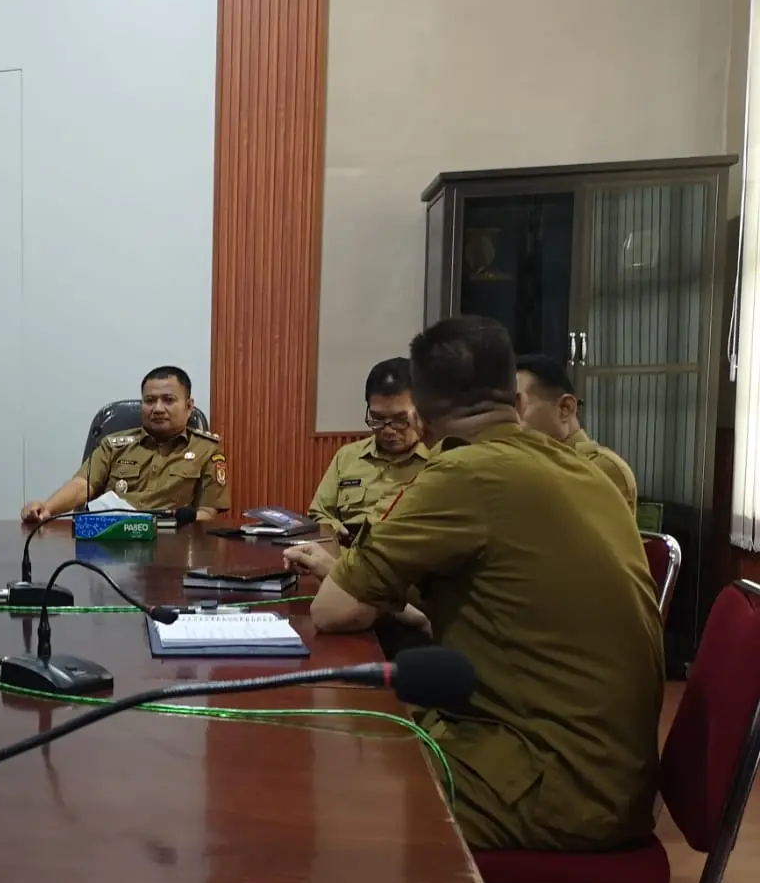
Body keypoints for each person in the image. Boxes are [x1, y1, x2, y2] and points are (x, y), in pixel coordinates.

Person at [282, 316, 663, 853]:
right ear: (518, 400)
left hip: (552, 787)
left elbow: (334, 612)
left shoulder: (462, 475)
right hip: (608, 775)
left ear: (423, 416)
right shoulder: (584, 472)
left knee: (318, 792)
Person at [22, 366, 228, 521]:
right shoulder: (114, 445)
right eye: (149, 400)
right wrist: (47, 509)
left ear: (189, 406)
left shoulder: (207, 450)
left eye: (168, 400)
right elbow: (82, 485)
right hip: (114, 542)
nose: (157, 408)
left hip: (175, 545)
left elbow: (207, 513)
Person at [308, 356, 429, 538]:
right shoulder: (348, 456)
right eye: (378, 419)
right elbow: (319, 514)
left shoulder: (441, 459)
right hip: (343, 557)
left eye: (399, 420)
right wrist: (332, 528)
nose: (388, 430)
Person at [515, 354, 638, 511]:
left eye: (519, 405)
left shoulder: (602, 469)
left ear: (565, 408)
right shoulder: (521, 460)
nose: (509, 416)